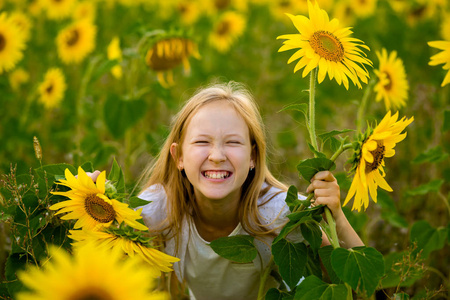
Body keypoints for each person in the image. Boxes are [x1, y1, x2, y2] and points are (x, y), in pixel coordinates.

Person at [89, 81, 363, 299]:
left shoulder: (281, 212)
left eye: (232, 142)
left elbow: (360, 286)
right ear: (179, 157)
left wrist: (335, 217)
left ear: (253, 156)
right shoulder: (158, 211)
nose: (217, 156)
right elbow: (100, 266)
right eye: (201, 142)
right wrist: (91, 206)